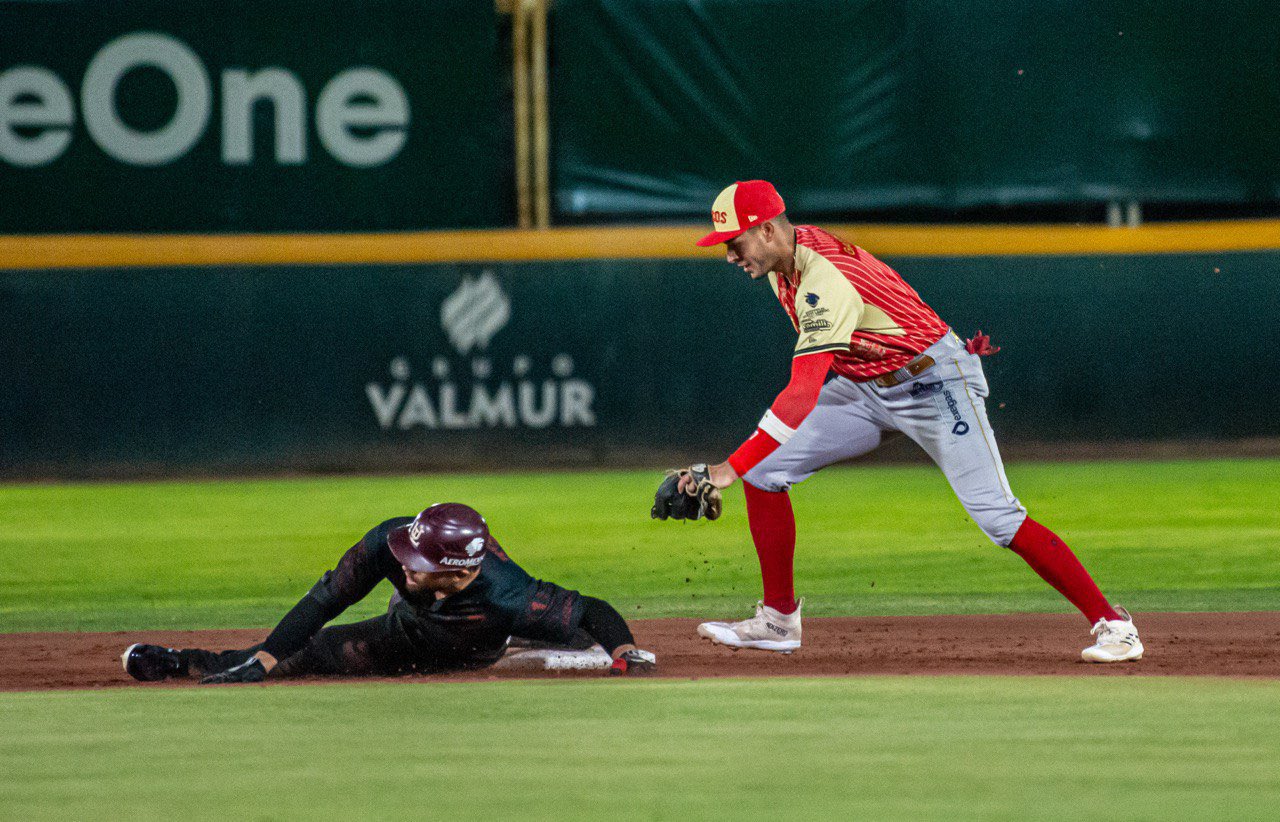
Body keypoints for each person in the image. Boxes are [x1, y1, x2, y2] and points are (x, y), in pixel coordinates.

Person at [656, 179, 1142, 663]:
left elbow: (801, 393)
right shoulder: (788, 258)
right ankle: (779, 621)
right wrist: (742, 469)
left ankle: (1115, 625)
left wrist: (725, 471)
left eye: (733, 242)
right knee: (766, 472)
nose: (729, 256)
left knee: (998, 517)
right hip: (867, 388)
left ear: (764, 231)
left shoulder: (823, 279)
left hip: (935, 381)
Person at [122, 503, 656, 683]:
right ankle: (179, 663)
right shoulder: (389, 542)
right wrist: (263, 658)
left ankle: (518, 648)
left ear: (457, 572)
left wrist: (625, 652)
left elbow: (591, 608)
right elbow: (323, 601)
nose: (406, 566)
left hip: (470, 642)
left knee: (564, 630)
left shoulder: (509, 595)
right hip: (405, 630)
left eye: (421, 565)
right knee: (306, 653)